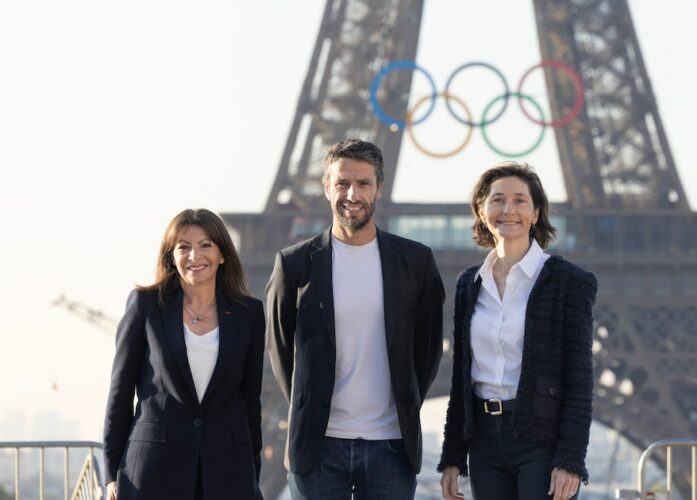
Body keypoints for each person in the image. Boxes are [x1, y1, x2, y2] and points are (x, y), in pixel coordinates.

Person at [265, 138, 444, 499]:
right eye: (343, 182)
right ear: (327, 186)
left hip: (391, 448)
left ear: (378, 188)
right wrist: (308, 404)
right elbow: (281, 352)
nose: (352, 193)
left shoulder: (416, 262)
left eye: (363, 183)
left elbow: (427, 353)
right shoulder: (294, 264)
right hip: (317, 449)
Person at [438, 162, 598, 500]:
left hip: (541, 440)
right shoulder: (469, 284)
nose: (508, 210)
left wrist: (571, 459)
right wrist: (453, 456)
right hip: (483, 443)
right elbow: (461, 380)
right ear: (481, 211)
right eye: (497, 200)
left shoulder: (567, 282)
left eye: (520, 200)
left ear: (536, 213)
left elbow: (579, 379)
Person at [103, 209, 265, 500]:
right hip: (153, 470)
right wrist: (113, 472)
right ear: (171, 256)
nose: (195, 256)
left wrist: (252, 471)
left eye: (206, 245)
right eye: (184, 247)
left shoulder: (248, 314)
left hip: (228, 470)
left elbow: (250, 401)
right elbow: (120, 392)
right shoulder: (145, 305)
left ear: (222, 254)